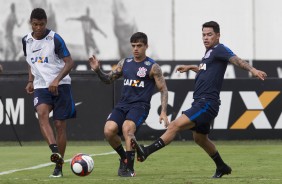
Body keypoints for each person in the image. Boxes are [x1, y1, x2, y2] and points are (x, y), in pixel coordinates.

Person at [131, 21, 267, 178]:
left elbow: (236, 60)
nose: (206, 38)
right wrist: (191, 67)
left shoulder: (219, 49)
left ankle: (147, 151)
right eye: (203, 35)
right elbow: (206, 71)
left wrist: (253, 69)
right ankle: (221, 166)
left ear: (218, 36)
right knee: (200, 138)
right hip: (201, 102)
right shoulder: (209, 54)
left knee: (174, 125)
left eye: (209, 35)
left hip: (206, 102)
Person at [88, 32, 169, 177]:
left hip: (140, 106)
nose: (136, 49)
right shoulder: (125, 63)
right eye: (133, 46)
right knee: (108, 130)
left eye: (139, 46)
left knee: (127, 128)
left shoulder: (153, 67)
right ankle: (124, 158)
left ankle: (130, 170)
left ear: (146, 46)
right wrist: (97, 70)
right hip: (123, 105)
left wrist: (163, 111)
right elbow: (108, 80)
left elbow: (163, 89)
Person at [22, 8, 76, 178]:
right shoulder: (26, 40)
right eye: (35, 24)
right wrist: (30, 81)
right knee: (42, 113)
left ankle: (59, 168)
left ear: (46, 23)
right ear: (31, 23)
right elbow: (31, 63)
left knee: (60, 125)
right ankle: (55, 153)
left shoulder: (55, 39)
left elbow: (69, 62)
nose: (38, 27)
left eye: (42, 24)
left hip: (61, 85)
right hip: (40, 85)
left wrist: (56, 80)